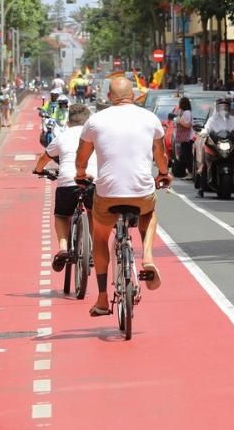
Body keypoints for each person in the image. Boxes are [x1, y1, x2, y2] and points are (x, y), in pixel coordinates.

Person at [75, 76, 171, 317]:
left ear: (109, 97)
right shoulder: (149, 119)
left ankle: (102, 298)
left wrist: (80, 173)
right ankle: (147, 256)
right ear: (135, 95)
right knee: (149, 214)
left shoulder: (95, 120)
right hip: (141, 192)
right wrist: (162, 173)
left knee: (99, 237)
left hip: (107, 194)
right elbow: (161, 155)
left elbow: (81, 156)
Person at [33, 104, 98, 271]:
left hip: (67, 183)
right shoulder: (95, 135)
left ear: (68, 122)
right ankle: (91, 248)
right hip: (92, 181)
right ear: (88, 121)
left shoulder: (62, 136)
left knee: (62, 215)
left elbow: (44, 157)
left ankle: (63, 248)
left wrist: (39, 170)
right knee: (92, 212)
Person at [173, 97, 195, 179]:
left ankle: (190, 172)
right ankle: (187, 172)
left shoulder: (187, 113)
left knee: (187, 156)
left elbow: (188, 124)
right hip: (183, 138)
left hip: (188, 139)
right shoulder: (183, 112)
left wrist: (179, 121)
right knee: (183, 156)